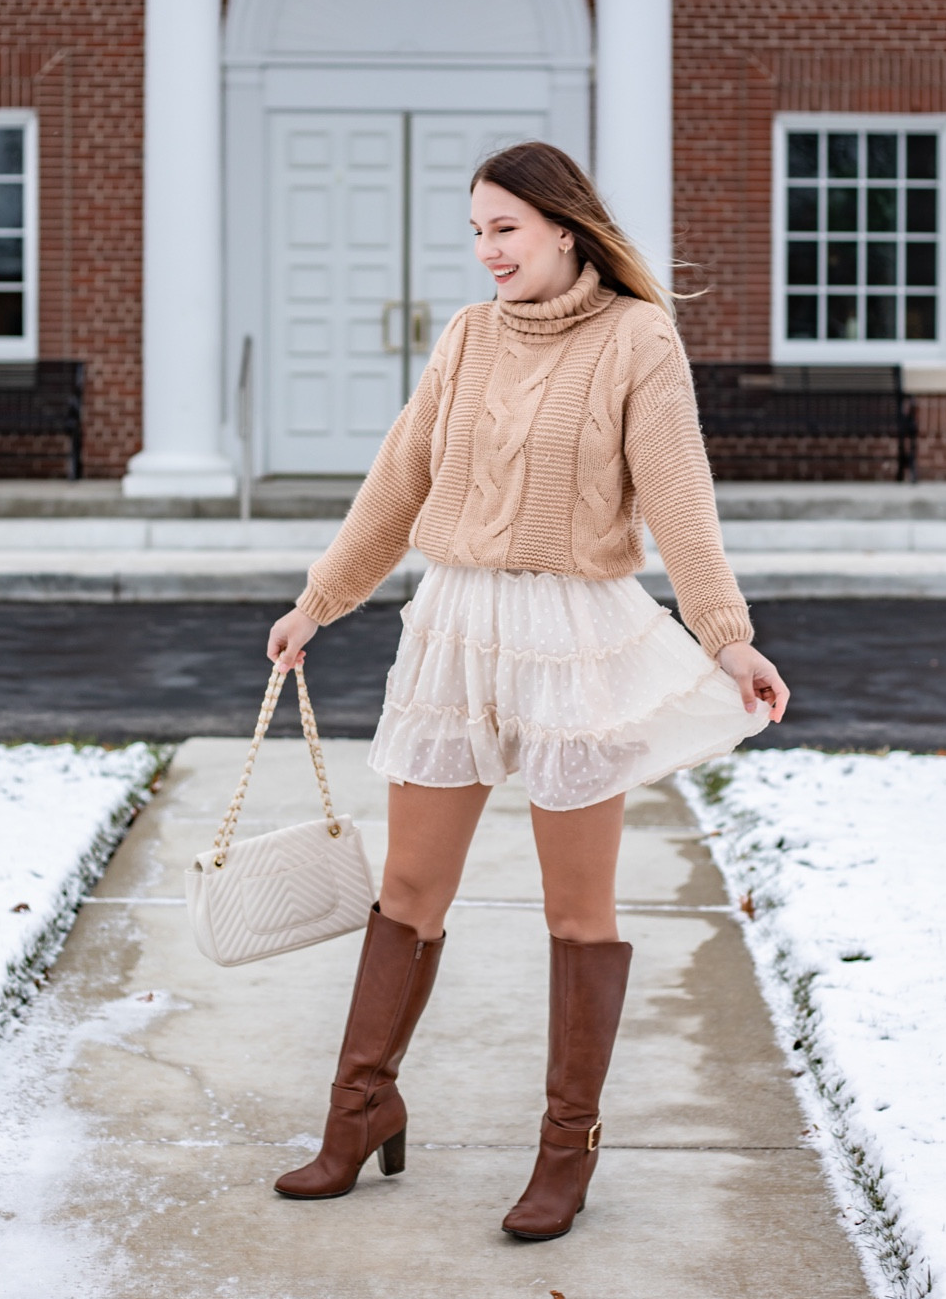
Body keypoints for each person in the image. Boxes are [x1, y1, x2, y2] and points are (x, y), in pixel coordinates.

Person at [266, 141, 789, 1240]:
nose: (486, 251)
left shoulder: (638, 340)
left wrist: (726, 637)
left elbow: (679, 499)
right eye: (475, 232)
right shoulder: (465, 337)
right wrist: (319, 603)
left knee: (575, 907)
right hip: (455, 628)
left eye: (503, 228)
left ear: (563, 227)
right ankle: (358, 1111)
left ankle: (566, 1151)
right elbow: (398, 482)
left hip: (571, 636)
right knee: (409, 888)